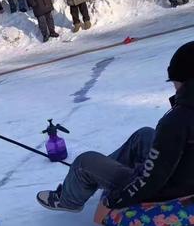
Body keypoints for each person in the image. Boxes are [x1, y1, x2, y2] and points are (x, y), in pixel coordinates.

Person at [37, 42, 194, 215]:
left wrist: (118, 197)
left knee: (84, 162)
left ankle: (69, 199)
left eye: (175, 82)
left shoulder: (175, 122)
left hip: (167, 189)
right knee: (143, 136)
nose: (173, 87)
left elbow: (152, 180)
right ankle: (98, 176)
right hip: (184, 174)